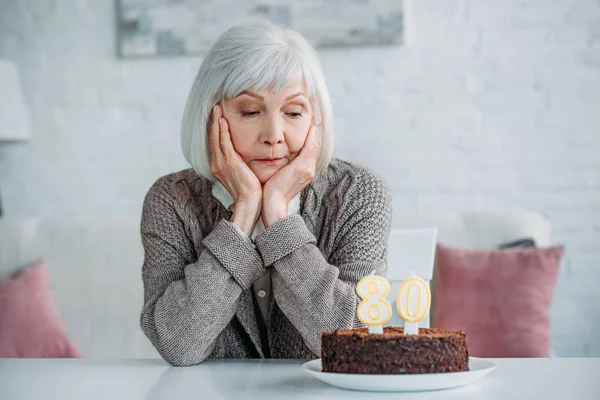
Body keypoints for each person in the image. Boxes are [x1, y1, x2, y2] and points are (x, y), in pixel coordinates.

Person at [140, 21, 392, 366]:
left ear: (314, 120)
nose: (274, 134)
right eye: (250, 111)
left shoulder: (358, 194)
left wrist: (278, 216)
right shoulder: (171, 200)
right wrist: (243, 214)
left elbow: (351, 340)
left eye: (292, 112)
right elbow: (178, 344)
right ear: (211, 117)